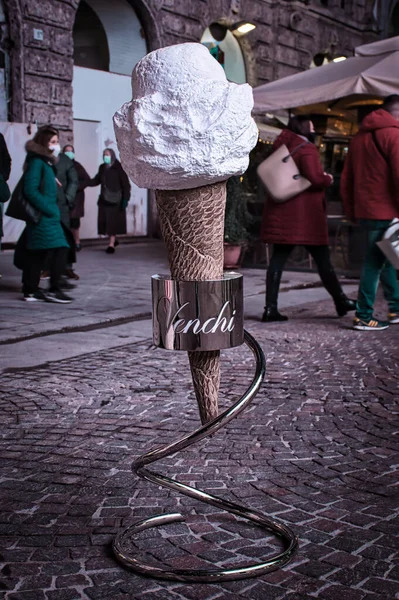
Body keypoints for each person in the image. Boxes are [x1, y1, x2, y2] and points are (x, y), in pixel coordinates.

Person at [260, 115, 356, 322]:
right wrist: (328, 178)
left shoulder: (281, 145)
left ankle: (270, 308)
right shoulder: (306, 148)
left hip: (282, 213)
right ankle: (341, 300)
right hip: (305, 217)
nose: (313, 129)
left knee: (278, 260)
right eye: (311, 125)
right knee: (323, 259)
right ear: (304, 127)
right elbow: (314, 177)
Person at [340, 94, 399, 331]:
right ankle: (363, 315)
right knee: (374, 263)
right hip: (386, 210)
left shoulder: (358, 138)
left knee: (384, 260)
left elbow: (346, 179)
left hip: (365, 209)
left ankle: (396, 307)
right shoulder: (394, 135)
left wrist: (352, 210)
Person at [21, 126, 72, 303]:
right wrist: (50, 209)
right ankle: (54, 289)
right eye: (53, 142)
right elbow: (30, 189)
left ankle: (30, 290)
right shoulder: (37, 162)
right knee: (60, 248)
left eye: (57, 142)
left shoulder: (45, 163)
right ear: (44, 142)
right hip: (44, 217)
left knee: (37, 253)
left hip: (46, 217)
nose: (56, 145)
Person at [87, 148, 130, 253]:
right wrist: (84, 183)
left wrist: (125, 200)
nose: (105, 156)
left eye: (107, 154)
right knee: (105, 222)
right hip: (104, 199)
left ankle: (111, 245)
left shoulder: (119, 168)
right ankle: (113, 240)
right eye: (104, 154)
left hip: (116, 200)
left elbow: (126, 185)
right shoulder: (102, 167)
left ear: (112, 155)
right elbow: (97, 180)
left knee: (112, 223)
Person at [63, 144, 91, 252]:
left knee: (75, 222)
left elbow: (86, 180)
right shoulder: (60, 164)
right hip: (64, 198)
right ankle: (66, 242)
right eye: (67, 151)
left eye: (71, 151)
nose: (69, 153)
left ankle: (77, 241)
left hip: (76, 199)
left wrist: (76, 187)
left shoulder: (77, 166)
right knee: (65, 221)